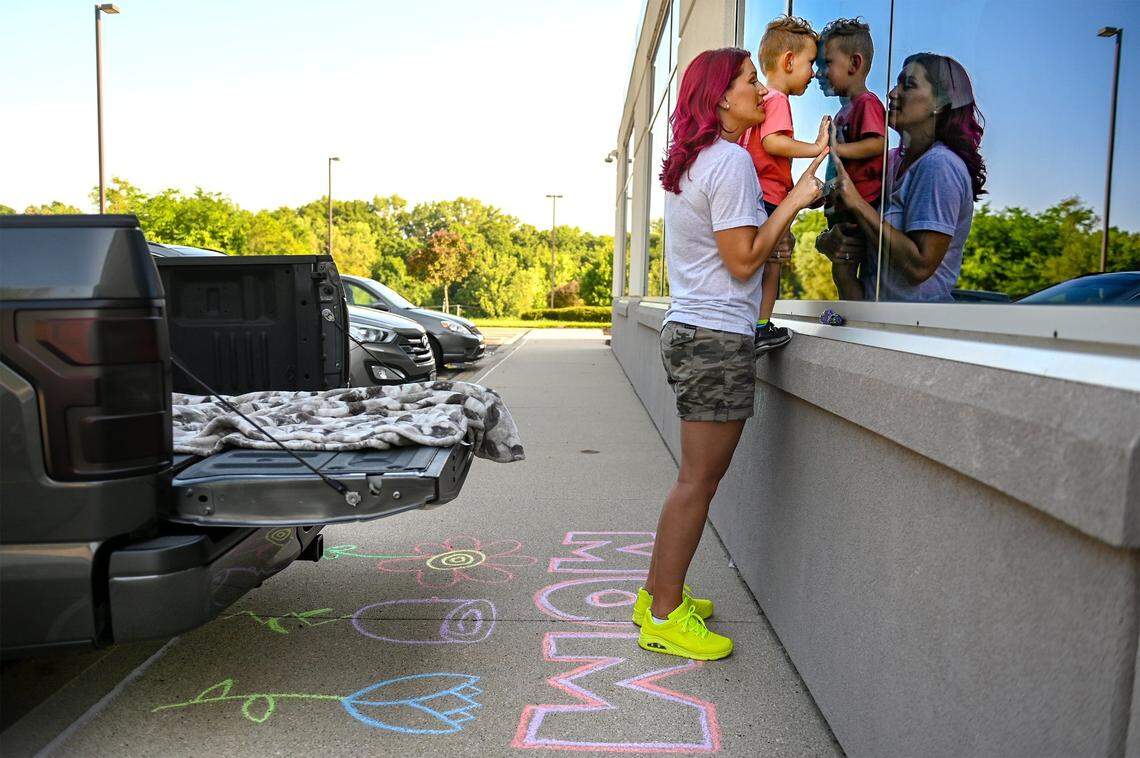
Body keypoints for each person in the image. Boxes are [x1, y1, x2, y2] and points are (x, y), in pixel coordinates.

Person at [635, 47, 827, 661]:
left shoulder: (695, 161)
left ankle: (656, 595)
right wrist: (794, 202)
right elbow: (744, 260)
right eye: (751, 83)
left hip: (694, 329)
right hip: (716, 339)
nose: (763, 94)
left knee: (694, 479)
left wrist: (770, 236)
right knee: (698, 481)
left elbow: (732, 255)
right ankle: (663, 615)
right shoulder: (731, 163)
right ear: (721, 98)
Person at [818, 53, 986, 302]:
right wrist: (828, 241)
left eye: (908, 85)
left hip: (915, 330)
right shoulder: (890, 161)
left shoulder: (939, 165)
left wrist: (857, 203)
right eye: (896, 83)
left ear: (939, 104)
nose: (892, 93)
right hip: (873, 323)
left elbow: (920, 267)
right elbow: (853, 228)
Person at [738, 16, 830, 353]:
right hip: (769, 200)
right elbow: (774, 143)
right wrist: (815, 148)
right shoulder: (778, 100)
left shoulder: (761, 102)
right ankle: (761, 327)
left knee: (760, 267)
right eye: (810, 63)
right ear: (789, 61)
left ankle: (751, 323)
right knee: (772, 265)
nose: (814, 72)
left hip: (760, 197)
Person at [818, 18, 886, 229]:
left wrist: (836, 148)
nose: (819, 73)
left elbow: (878, 143)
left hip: (864, 202)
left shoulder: (867, 103)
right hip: (841, 203)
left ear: (854, 64)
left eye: (826, 63)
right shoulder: (842, 113)